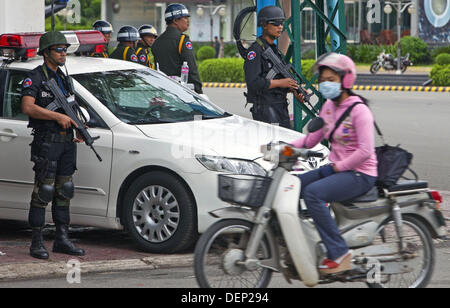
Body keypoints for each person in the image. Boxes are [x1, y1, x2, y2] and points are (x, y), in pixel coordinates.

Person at [290, 52, 378, 274]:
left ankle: (339, 252)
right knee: (290, 187)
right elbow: (311, 139)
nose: (325, 85)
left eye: (331, 80)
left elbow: (366, 151)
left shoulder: (359, 111)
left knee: (313, 194)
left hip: (360, 174)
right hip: (337, 169)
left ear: (346, 80)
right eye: (322, 81)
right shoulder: (328, 107)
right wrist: (286, 149)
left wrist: (339, 166)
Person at [21, 31, 86, 259]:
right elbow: (27, 107)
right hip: (47, 142)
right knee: (43, 191)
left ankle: (62, 239)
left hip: (67, 143)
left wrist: (78, 127)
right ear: (46, 53)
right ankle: (36, 243)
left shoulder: (64, 78)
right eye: (58, 49)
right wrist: (55, 117)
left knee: (64, 191)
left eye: (64, 49)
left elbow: (72, 107)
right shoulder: (36, 77)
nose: (63, 53)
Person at [244, 6, 303, 129]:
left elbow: (279, 82)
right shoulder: (255, 51)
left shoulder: (274, 51)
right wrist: (281, 82)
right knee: (271, 147)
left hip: (280, 107)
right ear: (264, 25)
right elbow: (253, 83)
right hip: (265, 109)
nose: (280, 26)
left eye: (281, 23)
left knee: (285, 146)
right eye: (275, 23)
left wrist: (293, 89)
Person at [152, 3, 203, 94]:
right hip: (180, 92)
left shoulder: (157, 42)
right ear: (175, 20)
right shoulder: (182, 40)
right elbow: (191, 68)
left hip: (161, 89)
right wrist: (198, 91)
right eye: (185, 18)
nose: (188, 21)